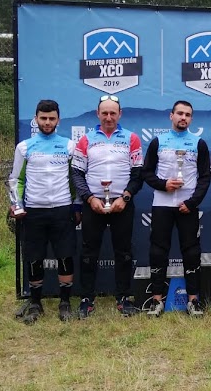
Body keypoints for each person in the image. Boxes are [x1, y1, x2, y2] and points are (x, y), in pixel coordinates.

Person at [71, 94, 144, 318]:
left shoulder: (132, 138)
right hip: (93, 204)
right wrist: (89, 198)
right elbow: (77, 173)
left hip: (122, 204)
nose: (109, 117)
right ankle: (86, 298)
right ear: (98, 114)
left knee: (123, 252)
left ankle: (124, 297)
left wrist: (126, 197)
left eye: (113, 113)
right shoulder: (85, 139)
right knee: (88, 252)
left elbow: (138, 173)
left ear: (120, 114)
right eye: (105, 113)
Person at [9, 100, 80, 324]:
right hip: (33, 211)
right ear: (36, 119)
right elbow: (16, 180)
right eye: (43, 118)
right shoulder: (24, 146)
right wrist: (16, 205)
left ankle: (65, 302)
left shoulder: (69, 146)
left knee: (65, 256)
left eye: (51, 118)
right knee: (34, 258)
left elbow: (76, 179)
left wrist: (77, 205)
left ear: (58, 120)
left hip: (62, 209)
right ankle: (36, 302)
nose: (47, 122)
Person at [142, 100, 211, 317]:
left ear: (191, 118)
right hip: (162, 204)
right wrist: (164, 184)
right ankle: (156, 300)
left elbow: (205, 177)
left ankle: (193, 301)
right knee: (158, 251)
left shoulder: (198, 143)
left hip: (187, 206)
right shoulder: (158, 142)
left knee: (191, 252)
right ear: (171, 116)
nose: (183, 118)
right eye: (179, 113)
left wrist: (192, 203)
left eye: (187, 115)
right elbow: (146, 173)